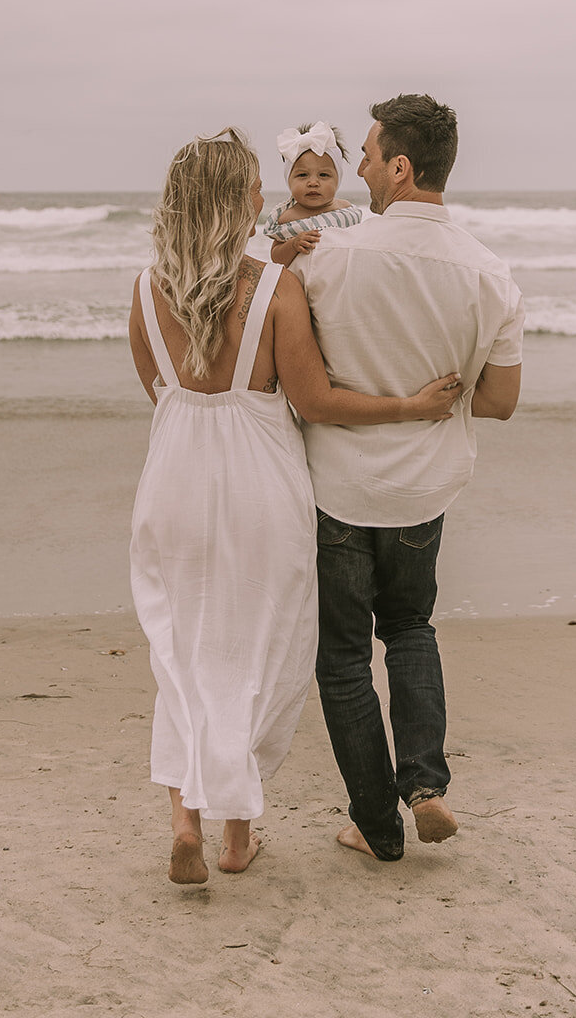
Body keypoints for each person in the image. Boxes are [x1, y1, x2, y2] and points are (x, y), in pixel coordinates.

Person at [128, 128, 463, 885]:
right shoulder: (273, 285)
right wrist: (410, 406)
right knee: (260, 656)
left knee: (180, 651)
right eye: (251, 186)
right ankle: (238, 839)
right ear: (232, 198)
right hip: (259, 486)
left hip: (174, 480)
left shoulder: (147, 287)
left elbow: (158, 388)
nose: (261, 196)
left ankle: (185, 817)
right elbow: (314, 401)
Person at [290, 94, 524, 862]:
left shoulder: (327, 257)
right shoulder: (490, 274)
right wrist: (436, 398)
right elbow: (497, 402)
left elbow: (295, 377)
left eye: (363, 154)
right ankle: (424, 785)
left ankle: (375, 825)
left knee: (344, 658)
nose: (354, 168)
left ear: (398, 165)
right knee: (412, 629)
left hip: (338, 487)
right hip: (424, 490)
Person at [264, 120, 364, 266]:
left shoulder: (345, 209)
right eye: (302, 175)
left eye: (323, 175)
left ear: (338, 179)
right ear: (289, 179)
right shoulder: (287, 217)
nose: (313, 183)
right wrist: (293, 245)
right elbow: (276, 257)